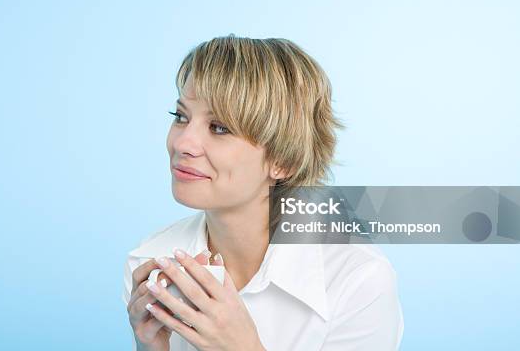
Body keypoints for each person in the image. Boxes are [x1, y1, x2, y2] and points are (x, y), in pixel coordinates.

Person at [123, 35, 404, 350]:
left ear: (283, 161)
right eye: (181, 117)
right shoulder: (149, 261)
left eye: (219, 127)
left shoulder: (357, 279)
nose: (182, 144)